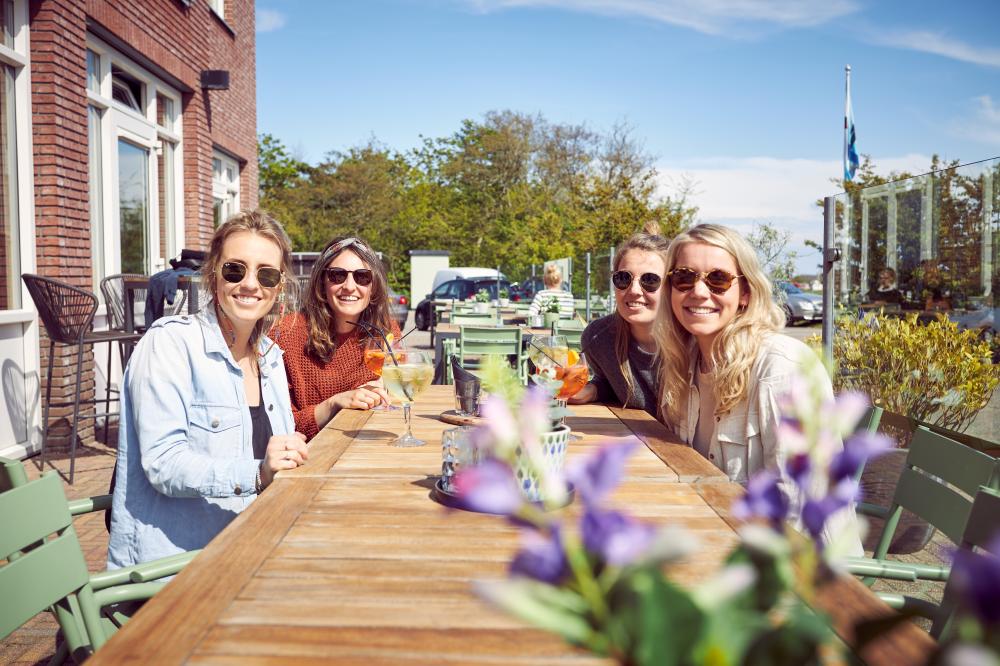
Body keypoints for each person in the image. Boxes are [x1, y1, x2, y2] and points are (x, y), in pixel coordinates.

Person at [108, 210, 307, 568]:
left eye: (266, 274)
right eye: (235, 269)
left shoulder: (271, 358)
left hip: (253, 548)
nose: (250, 284)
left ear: (278, 287)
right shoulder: (169, 344)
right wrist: (257, 472)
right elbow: (163, 464)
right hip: (181, 570)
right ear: (213, 275)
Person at [657, 223, 861, 551]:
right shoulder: (687, 361)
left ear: (745, 294)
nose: (698, 291)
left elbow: (794, 506)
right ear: (670, 289)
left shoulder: (781, 367)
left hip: (796, 566)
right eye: (684, 276)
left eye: (718, 279)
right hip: (717, 532)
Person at [276, 236, 399, 440]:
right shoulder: (287, 334)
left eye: (362, 277)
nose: (349, 286)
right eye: (337, 276)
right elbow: (280, 424)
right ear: (322, 282)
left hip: (368, 448)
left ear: (373, 286)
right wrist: (334, 404)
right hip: (310, 460)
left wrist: (384, 386)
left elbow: (400, 384)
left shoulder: (385, 330)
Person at [570, 225, 668, 418]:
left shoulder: (693, 341)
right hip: (641, 443)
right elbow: (612, 380)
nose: (634, 290)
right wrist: (595, 390)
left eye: (650, 280)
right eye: (623, 278)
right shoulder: (599, 337)